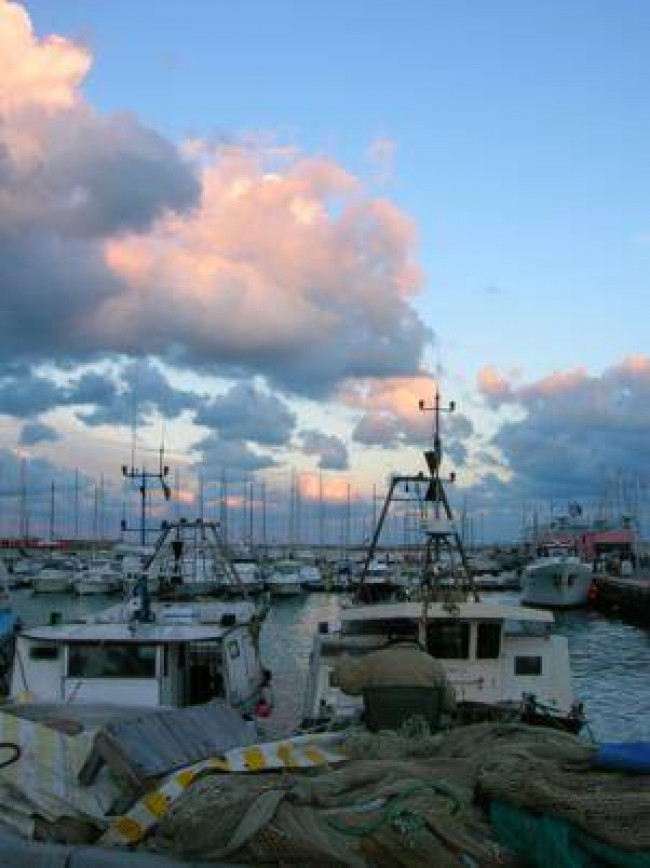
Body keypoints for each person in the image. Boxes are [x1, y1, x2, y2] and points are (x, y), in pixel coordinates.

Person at [331, 626, 456, 712]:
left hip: (380, 729)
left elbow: (348, 686)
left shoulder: (373, 660)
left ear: (392, 637)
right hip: (421, 729)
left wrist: (343, 660)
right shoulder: (433, 664)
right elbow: (449, 704)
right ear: (416, 638)